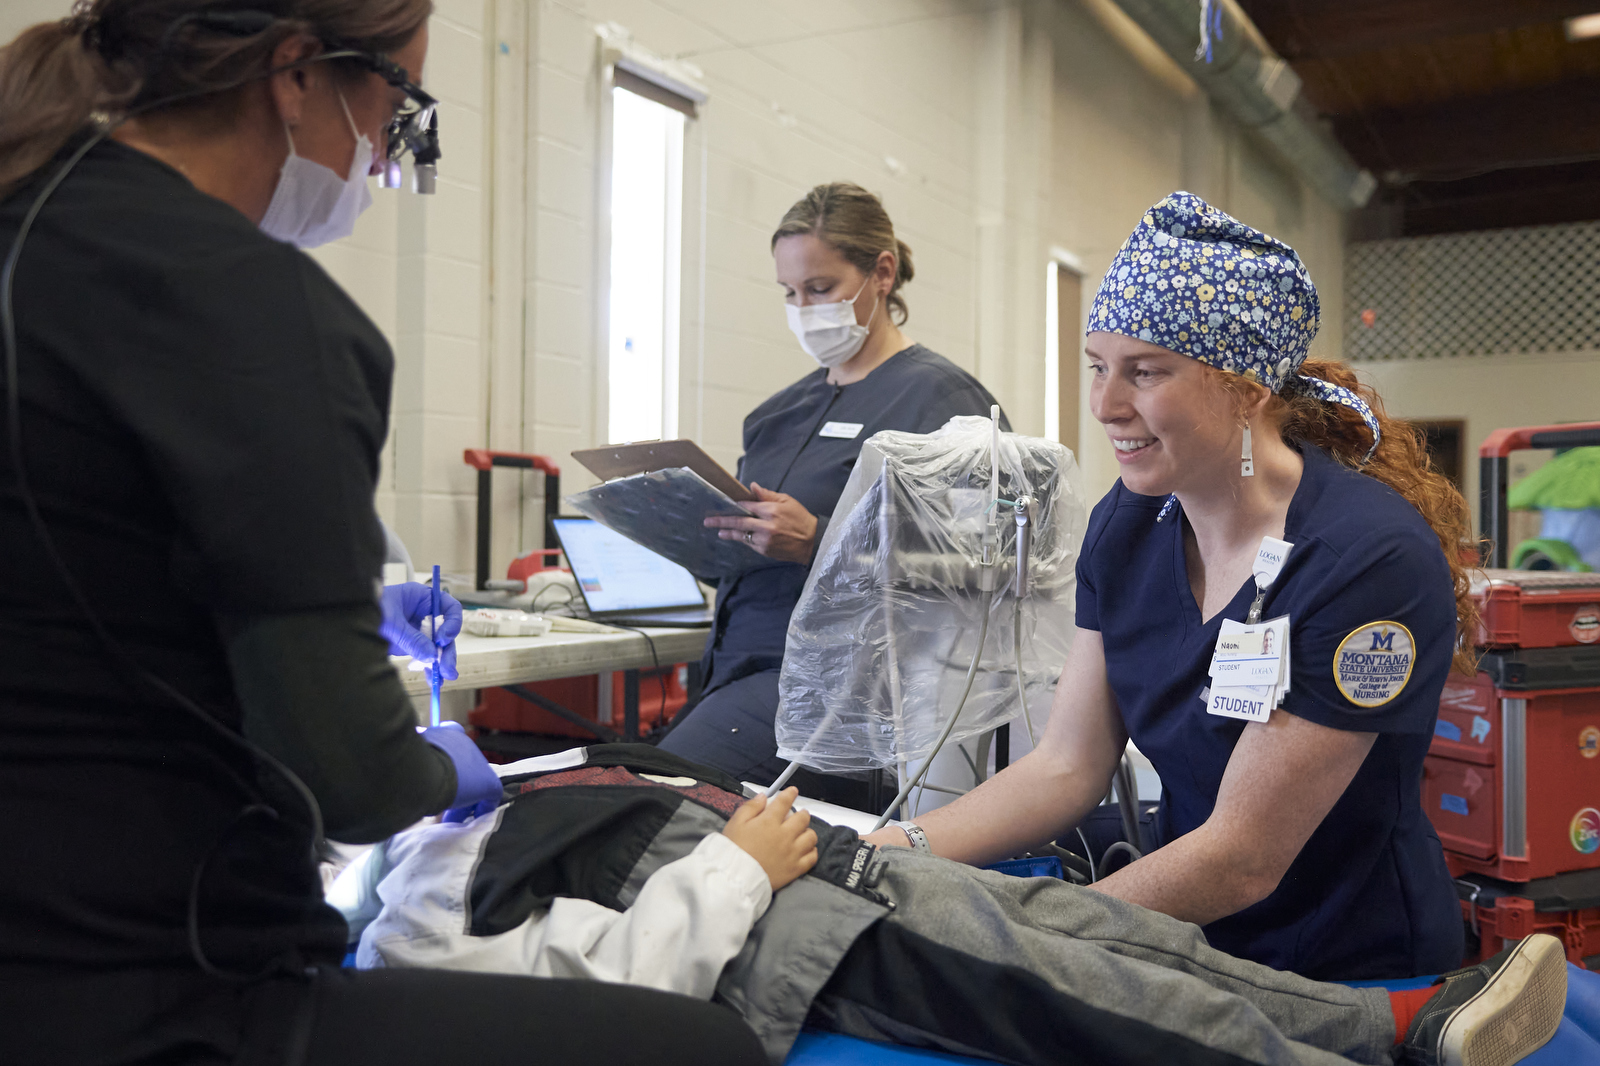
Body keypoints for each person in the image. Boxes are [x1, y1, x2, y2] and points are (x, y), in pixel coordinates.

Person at [0, 3, 765, 1065]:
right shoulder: (251, 308)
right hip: (160, 993)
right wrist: (442, 763)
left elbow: (82, 574)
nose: (383, 150)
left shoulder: (32, 222)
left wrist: (341, 608)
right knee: (704, 1050)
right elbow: (351, 780)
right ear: (295, 73)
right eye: (398, 103)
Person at [864, 191, 1478, 982]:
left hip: (1343, 969)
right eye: (1098, 368)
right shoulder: (1129, 525)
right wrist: (888, 853)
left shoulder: (1367, 561)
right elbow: (1067, 768)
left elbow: (1244, 858)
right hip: (1185, 940)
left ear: (1247, 390)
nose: (1106, 405)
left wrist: (1030, 934)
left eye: (1145, 372)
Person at [331, 743, 1569, 1066]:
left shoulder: (450, 820)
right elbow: (609, 1002)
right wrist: (737, 873)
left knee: (1114, 929)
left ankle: (1394, 1020)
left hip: (817, 861)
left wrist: (851, 834)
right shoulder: (409, 936)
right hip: (784, 929)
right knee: (1084, 992)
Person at [658, 182, 1007, 802]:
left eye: (820, 289)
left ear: (882, 273)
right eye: (790, 294)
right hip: (736, 672)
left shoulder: (943, 402)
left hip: (842, 695)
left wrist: (817, 540)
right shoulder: (777, 415)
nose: (804, 308)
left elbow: (983, 569)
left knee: (649, 795)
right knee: (611, 782)